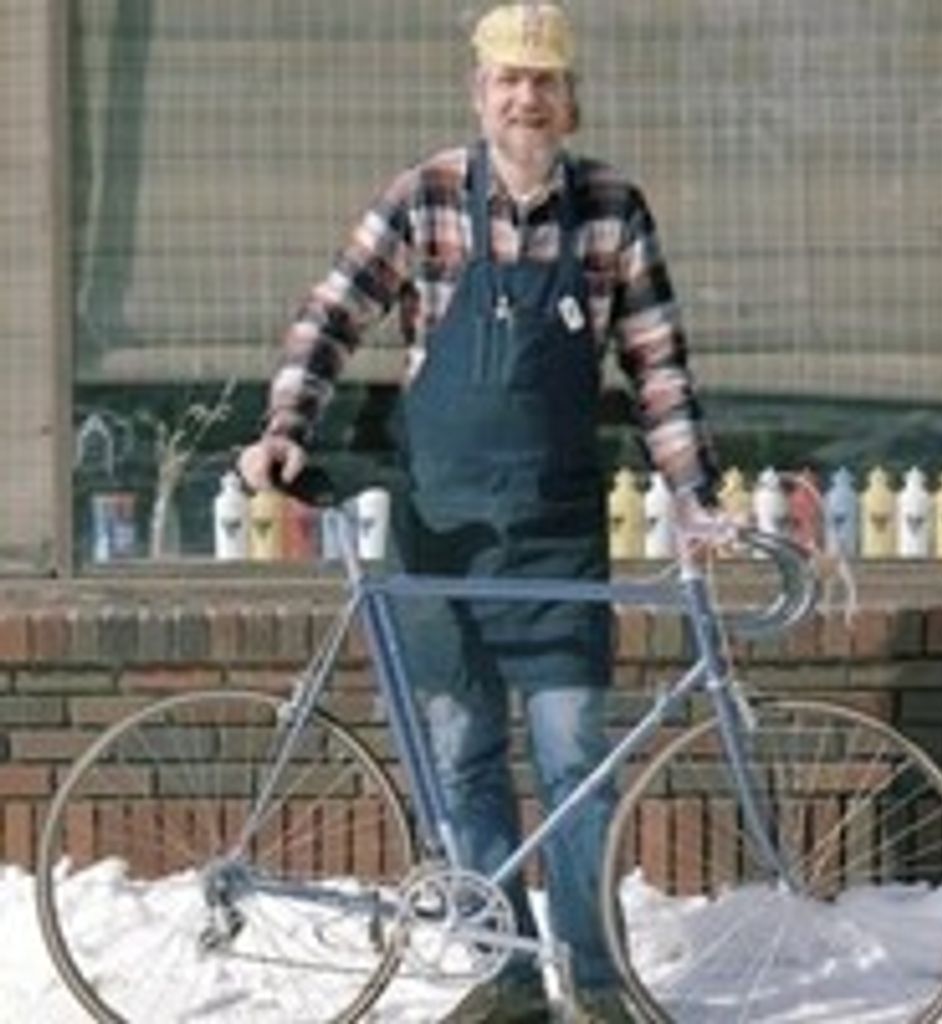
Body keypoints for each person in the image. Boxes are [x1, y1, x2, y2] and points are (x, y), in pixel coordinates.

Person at [240, 4, 721, 1020]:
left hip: (558, 535)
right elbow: (331, 313)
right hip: (443, 531)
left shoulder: (612, 210)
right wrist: (286, 424)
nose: (525, 98)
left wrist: (692, 496)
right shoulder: (423, 197)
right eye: (508, 79)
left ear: (570, 100)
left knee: (576, 761)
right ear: (479, 91)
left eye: (544, 81)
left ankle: (597, 982)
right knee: (461, 758)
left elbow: (658, 368)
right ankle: (506, 977)